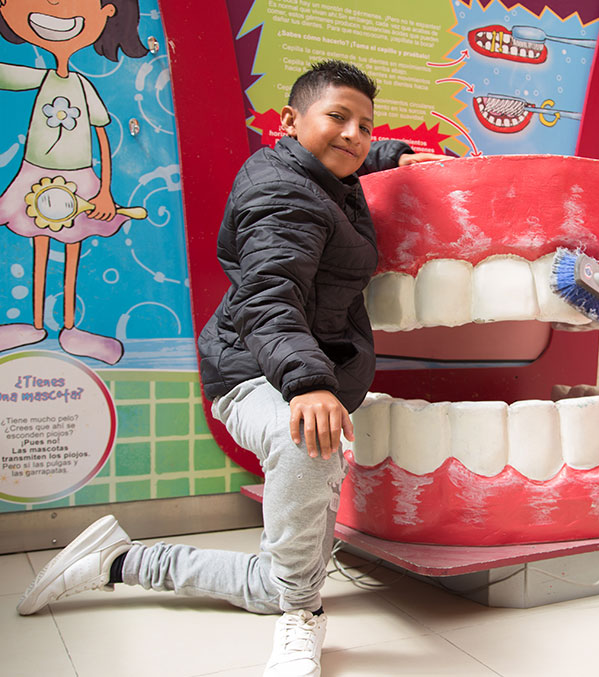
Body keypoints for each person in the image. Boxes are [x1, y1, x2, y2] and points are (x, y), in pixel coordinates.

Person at [17, 59, 450, 677]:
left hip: (289, 358)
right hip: (254, 369)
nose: (354, 135)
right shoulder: (282, 196)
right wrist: (308, 384)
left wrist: (393, 156)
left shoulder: (319, 170)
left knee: (274, 580)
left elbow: (347, 156)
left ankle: (120, 562)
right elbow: (268, 295)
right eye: (338, 118)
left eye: (364, 124)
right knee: (307, 441)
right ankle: (303, 616)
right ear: (289, 121)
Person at [0, 0, 149, 364]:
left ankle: (70, 326)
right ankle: (34, 324)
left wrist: (104, 192)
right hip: (35, 172)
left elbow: (101, 136)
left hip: (78, 176)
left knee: (72, 248)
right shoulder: (42, 78)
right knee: (37, 242)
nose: (54, 5)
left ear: (108, 12)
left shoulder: (82, 85)